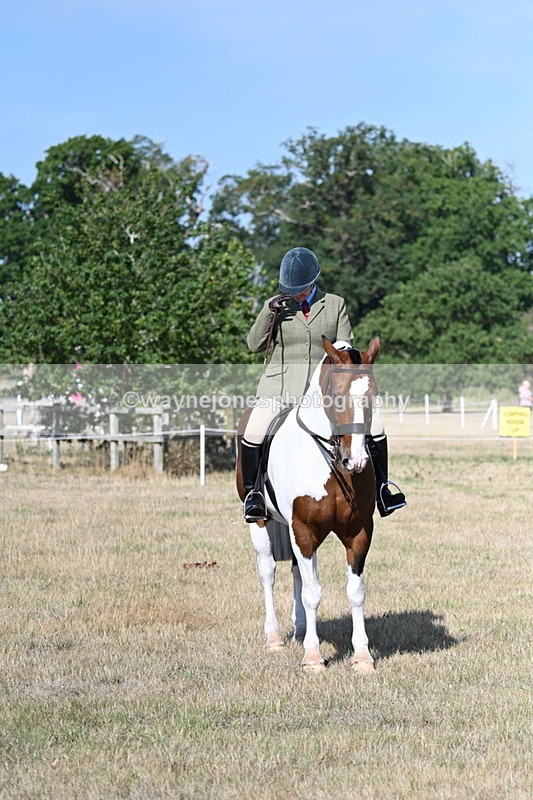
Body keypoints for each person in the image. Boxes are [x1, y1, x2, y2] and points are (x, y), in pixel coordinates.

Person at [241, 246, 406, 522]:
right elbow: (253, 344)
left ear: (313, 282)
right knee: (254, 429)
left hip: (325, 390)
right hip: (280, 387)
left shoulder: (335, 304)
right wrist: (269, 312)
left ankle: (382, 490)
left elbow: (344, 346)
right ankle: (253, 496)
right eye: (291, 290)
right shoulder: (277, 307)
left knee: (376, 426)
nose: (296, 294)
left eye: (301, 289)